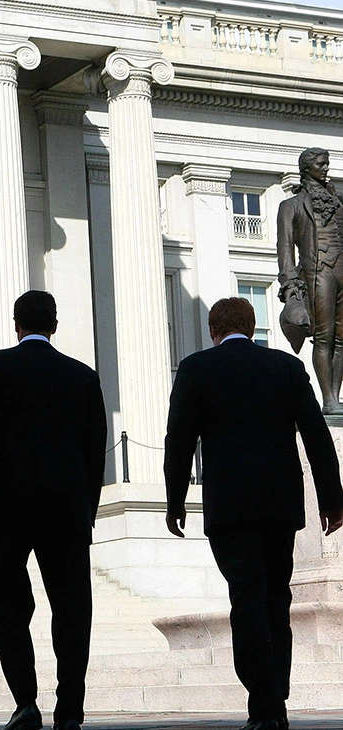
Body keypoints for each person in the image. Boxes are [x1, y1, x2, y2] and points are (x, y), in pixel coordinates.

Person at [164, 297, 343, 730]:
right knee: (276, 600)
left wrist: (174, 502)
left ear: (213, 330)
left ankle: (263, 700)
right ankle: (273, 697)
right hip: (280, 506)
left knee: (246, 598)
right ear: (253, 325)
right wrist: (333, 501)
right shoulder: (284, 367)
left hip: (230, 509)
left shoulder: (195, 369)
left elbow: (179, 441)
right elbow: (316, 435)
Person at [0, 290, 107, 730]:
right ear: (54, 326)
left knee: (5, 604)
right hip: (66, 508)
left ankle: (25, 699)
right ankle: (70, 709)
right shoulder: (82, 376)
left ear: (16, 324)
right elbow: (94, 452)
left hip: (8, 505)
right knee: (73, 610)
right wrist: (88, 510)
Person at [276, 147, 343, 414]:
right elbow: (285, 249)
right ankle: (328, 399)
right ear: (307, 168)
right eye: (321, 164)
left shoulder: (339, 202)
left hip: (342, 269)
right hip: (318, 271)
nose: (326, 168)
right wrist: (290, 286)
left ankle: (336, 397)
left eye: (327, 163)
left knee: (342, 338)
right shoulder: (291, 206)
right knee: (324, 337)